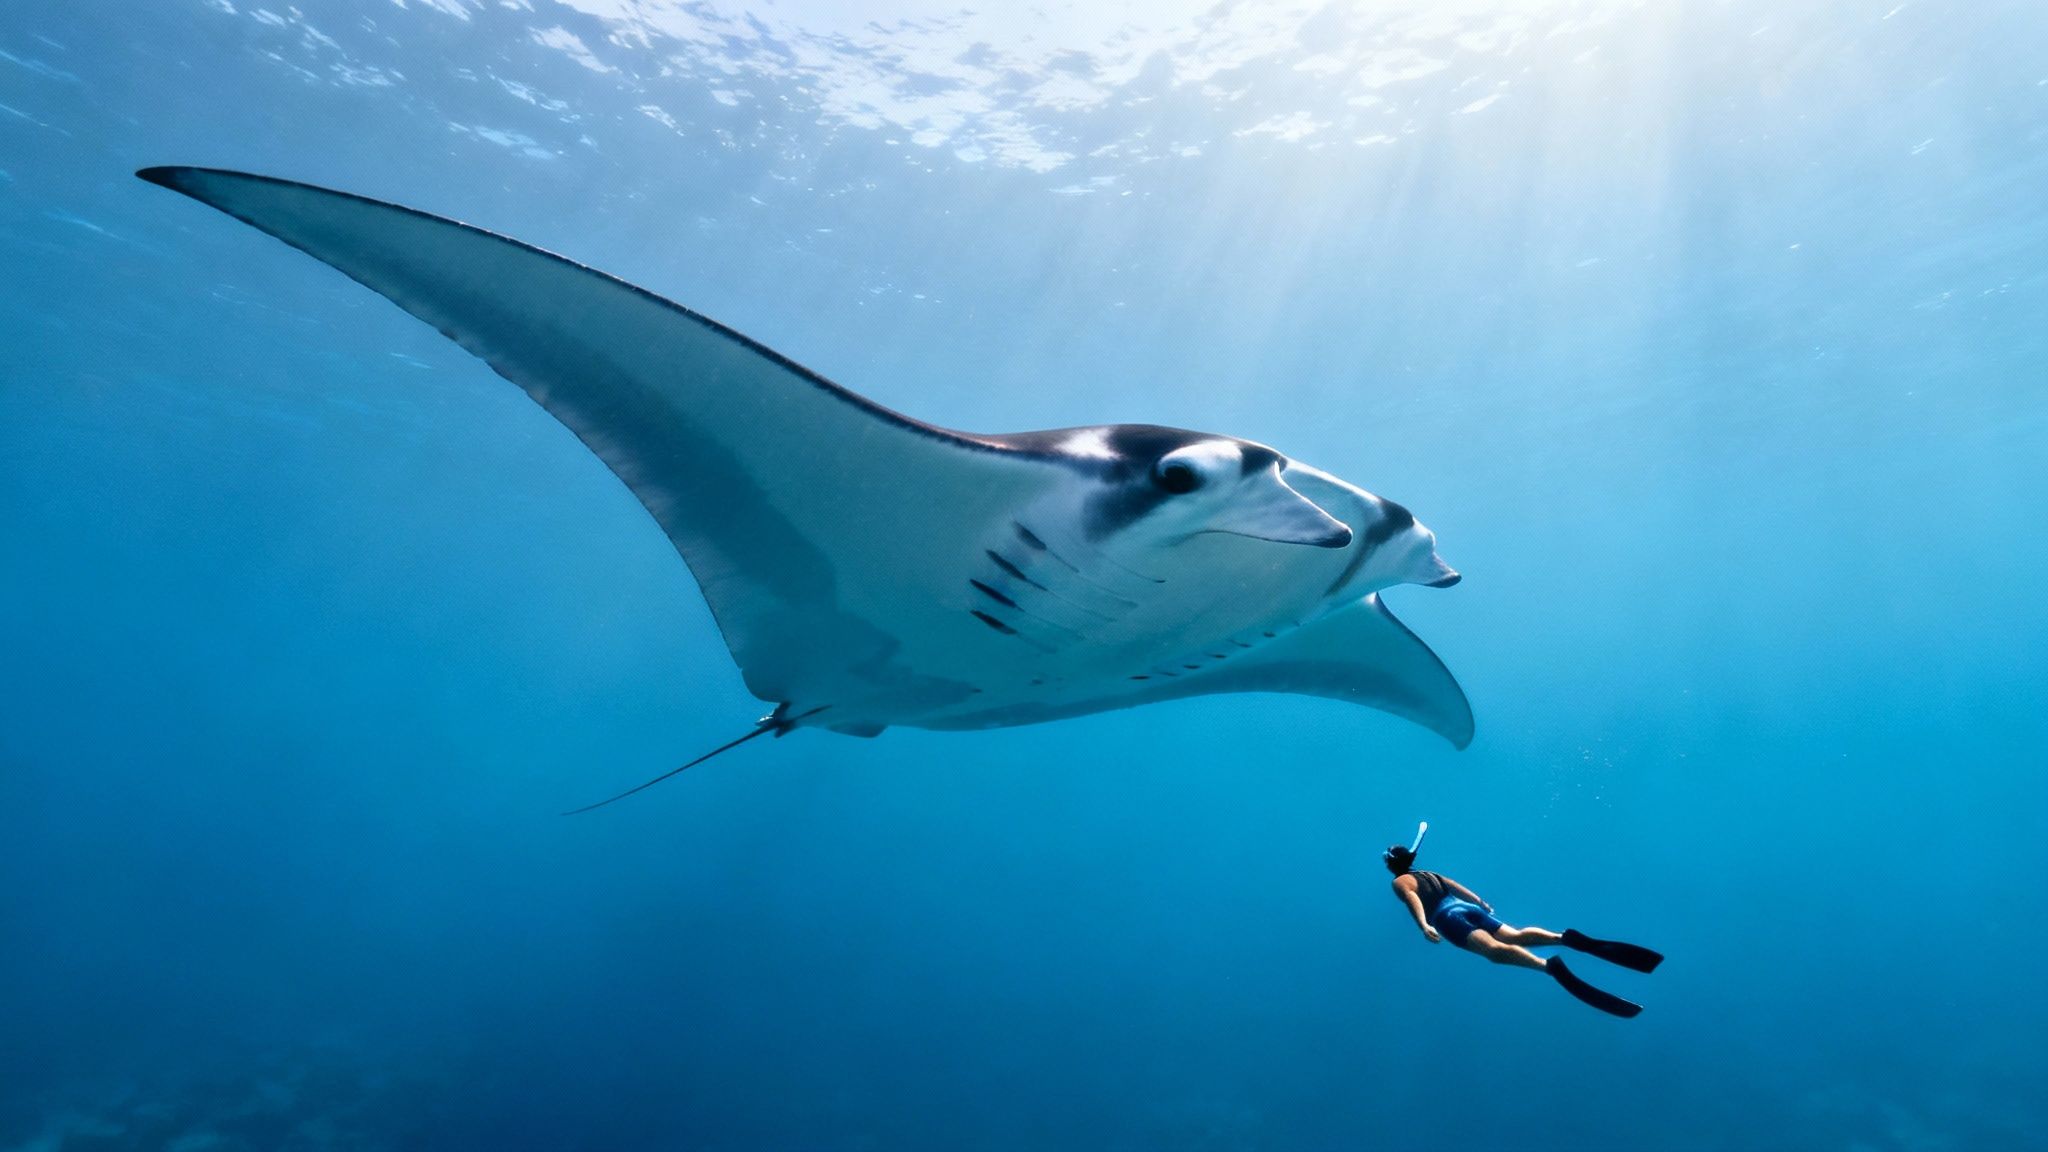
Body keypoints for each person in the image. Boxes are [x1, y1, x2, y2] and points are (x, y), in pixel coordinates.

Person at [1384, 822, 1663, 1017]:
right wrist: (1481, 902)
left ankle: (1548, 967)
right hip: (1466, 908)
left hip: (1447, 918)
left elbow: (1413, 899)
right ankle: (1562, 938)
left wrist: (1424, 925)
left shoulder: (1401, 882)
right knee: (1515, 935)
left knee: (1493, 951)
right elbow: (1457, 887)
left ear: (1392, 865)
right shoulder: (1430, 874)